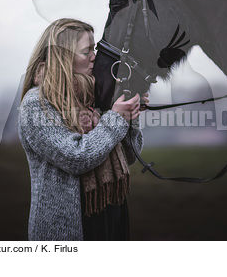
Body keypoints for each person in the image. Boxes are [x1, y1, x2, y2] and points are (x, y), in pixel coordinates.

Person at [18, 18, 149, 241]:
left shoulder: (93, 99)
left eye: (93, 49)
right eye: (86, 51)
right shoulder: (35, 105)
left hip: (113, 220)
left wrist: (129, 113)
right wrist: (116, 118)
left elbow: (129, 155)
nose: (94, 57)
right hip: (71, 231)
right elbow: (76, 157)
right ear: (64, 57)